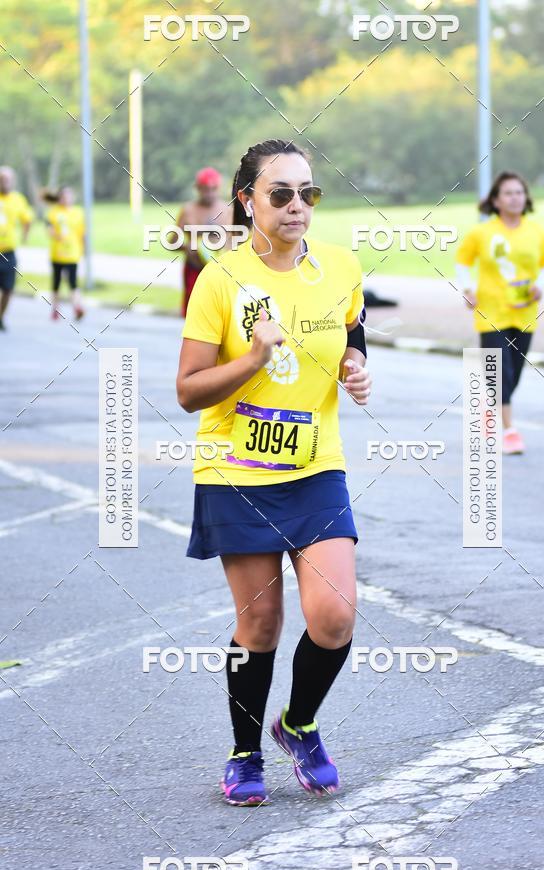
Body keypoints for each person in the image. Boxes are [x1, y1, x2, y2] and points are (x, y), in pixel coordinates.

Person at [176, 138, 371, 806]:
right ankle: (244, 750)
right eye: (281, 193)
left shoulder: (341, 267)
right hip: (237, 468)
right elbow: (189, 390)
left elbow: (353, 326)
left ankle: (300, 722)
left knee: (335, 615)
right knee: (259, 627)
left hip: (316, 465)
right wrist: (253, 360)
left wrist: (354, 365)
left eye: (307, 193)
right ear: (247, 200)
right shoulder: (220, 278)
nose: (297, 206)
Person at [456, 171, 544, 454]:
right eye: (508, 193)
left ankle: (496, 414)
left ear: (526, 198)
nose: (515, 198)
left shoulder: (537, 232)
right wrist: (467, 289)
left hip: (525, 312)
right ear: (496, 201)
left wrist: (540, 286)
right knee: (499, 372)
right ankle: (509, 431)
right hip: (490, 311)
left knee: (514, 373)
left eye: (519, 192)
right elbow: (463, 261)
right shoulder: (482, 232)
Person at [176, 167, 232, 318]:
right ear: (197, 188)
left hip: (220, 271)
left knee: (220, 313)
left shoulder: (228, 210)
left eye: (213, 189)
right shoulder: (188, 210)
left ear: (219, 188)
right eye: (205, 189)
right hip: (194, 269)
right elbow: (174, 240)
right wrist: (188, 246)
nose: (210, 193)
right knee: (194, 314)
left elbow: (237, 242)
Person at [43, 187, 85, 320]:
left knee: (73, 281)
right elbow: (49, 228)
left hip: (72, 253)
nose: (67, 199)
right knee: (56, 282)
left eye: (69, 196)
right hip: (57, 253)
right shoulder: (53, 212)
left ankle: (77, 306)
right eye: (64, 196)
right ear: (60, 198)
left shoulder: (78, 212)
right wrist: (55, 234)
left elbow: (82, 232)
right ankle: (55, 309)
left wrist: (83, 248)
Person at [0, 166, 34, 331]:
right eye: (2, 179)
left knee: (8, 288)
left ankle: (0, 317)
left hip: (8, 251)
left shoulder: (18, 199)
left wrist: (25, 235)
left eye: (7, 179)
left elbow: (27, 218)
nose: (5, 182)